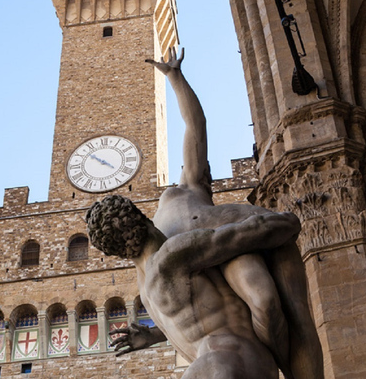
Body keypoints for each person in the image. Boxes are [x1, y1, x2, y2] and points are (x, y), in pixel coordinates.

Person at [106, 48, 322, 379]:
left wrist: (175, 78)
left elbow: (195, 126)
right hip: (235, 248)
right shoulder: (173, 214)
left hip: (241, 242)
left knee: (269, 302)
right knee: (269, 303)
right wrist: (152, 335)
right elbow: (189, 312)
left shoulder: (179, 201)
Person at [87, 194, 299, 379]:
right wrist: (290, 220)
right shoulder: (171, 255)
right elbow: (249, 232)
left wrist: (152, 336)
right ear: (143, 218)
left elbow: (193, 318)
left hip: (220, 363)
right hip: (232, 359)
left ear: (116, 252)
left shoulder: (145, 291)